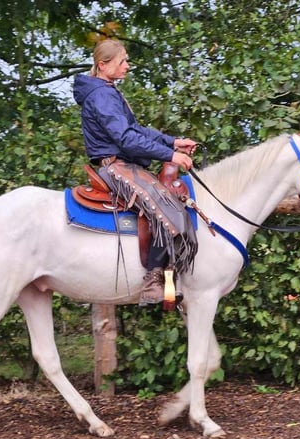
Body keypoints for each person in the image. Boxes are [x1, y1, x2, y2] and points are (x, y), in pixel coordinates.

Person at [73, 38, 198, 307]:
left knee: (168, 203)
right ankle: (154, 282)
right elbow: (127, 139)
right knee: (165, 211)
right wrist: (171, 155)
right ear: (103, 65)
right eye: (122, 61)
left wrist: (173, 142)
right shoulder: (101, 95)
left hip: (125, 165)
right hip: (116, 167)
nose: (128, 66)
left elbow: (137, 130)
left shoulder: (107, 91)